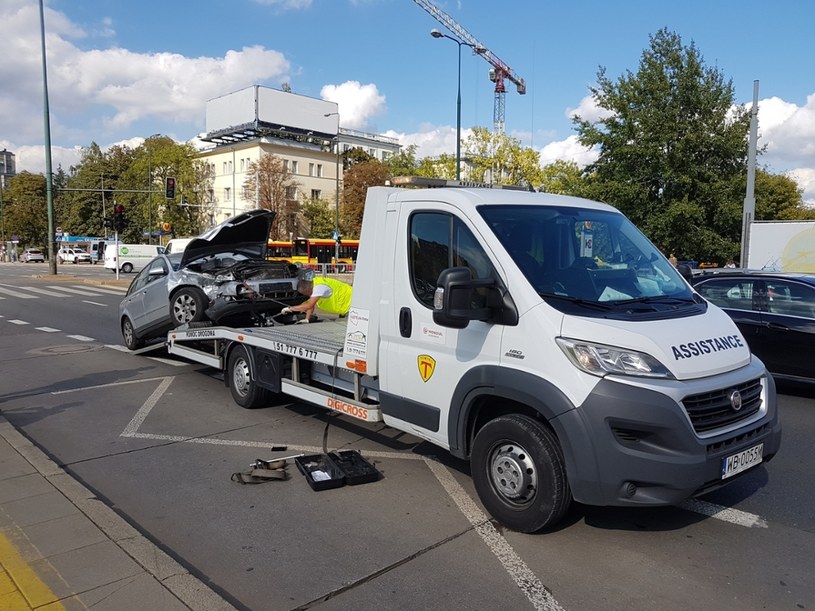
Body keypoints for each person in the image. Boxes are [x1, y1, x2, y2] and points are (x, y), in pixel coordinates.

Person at [280, 270, 352, 323]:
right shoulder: (315, 284)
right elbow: (310, 305)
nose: (307, 296)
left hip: (351, 306)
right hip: (345, 308)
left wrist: (290, 309)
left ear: (307, 289)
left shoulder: (319, 288)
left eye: (306, 293)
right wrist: (307, 319)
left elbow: (309, 305)